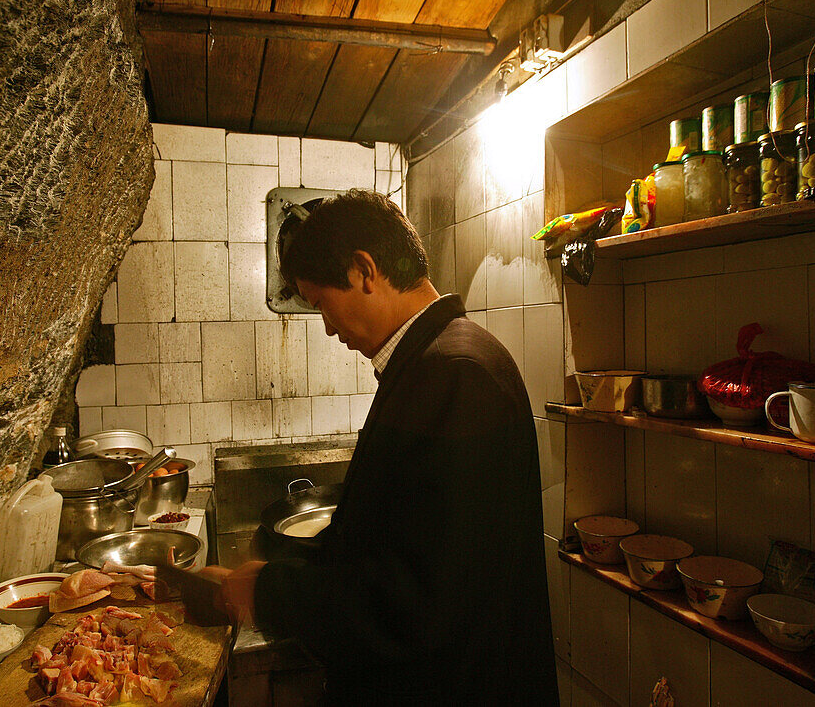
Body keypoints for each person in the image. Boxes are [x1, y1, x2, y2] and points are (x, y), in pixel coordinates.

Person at [204, 189, 558, 705]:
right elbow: (401, 539)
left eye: (322, 303)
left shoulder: (455, 375)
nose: (326, 327)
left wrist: (271, 593)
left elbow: (418, 606)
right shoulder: (435, 361)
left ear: (363, 270)